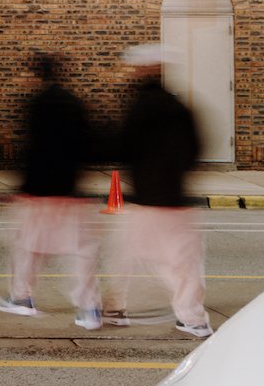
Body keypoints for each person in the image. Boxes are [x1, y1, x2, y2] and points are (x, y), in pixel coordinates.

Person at [102, 43, 211, 338]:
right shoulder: (180, 107)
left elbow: (122, 145)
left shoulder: (140, 105)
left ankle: (116, 308)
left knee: (125, 254)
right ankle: (194, 318)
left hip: (147, 199)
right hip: (176, 197)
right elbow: (196, 148)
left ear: (145, 69)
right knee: (181, 261)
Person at [0, 51, 103, 330]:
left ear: (36, 75)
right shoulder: (74, 104)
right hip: (70, 190)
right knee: (81, 251)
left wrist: (21, 187)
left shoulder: (37, 105)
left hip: (40, 191)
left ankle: (22, 298)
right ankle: (88, 308)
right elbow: (88, 144)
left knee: (28, 247)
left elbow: (34, 150)